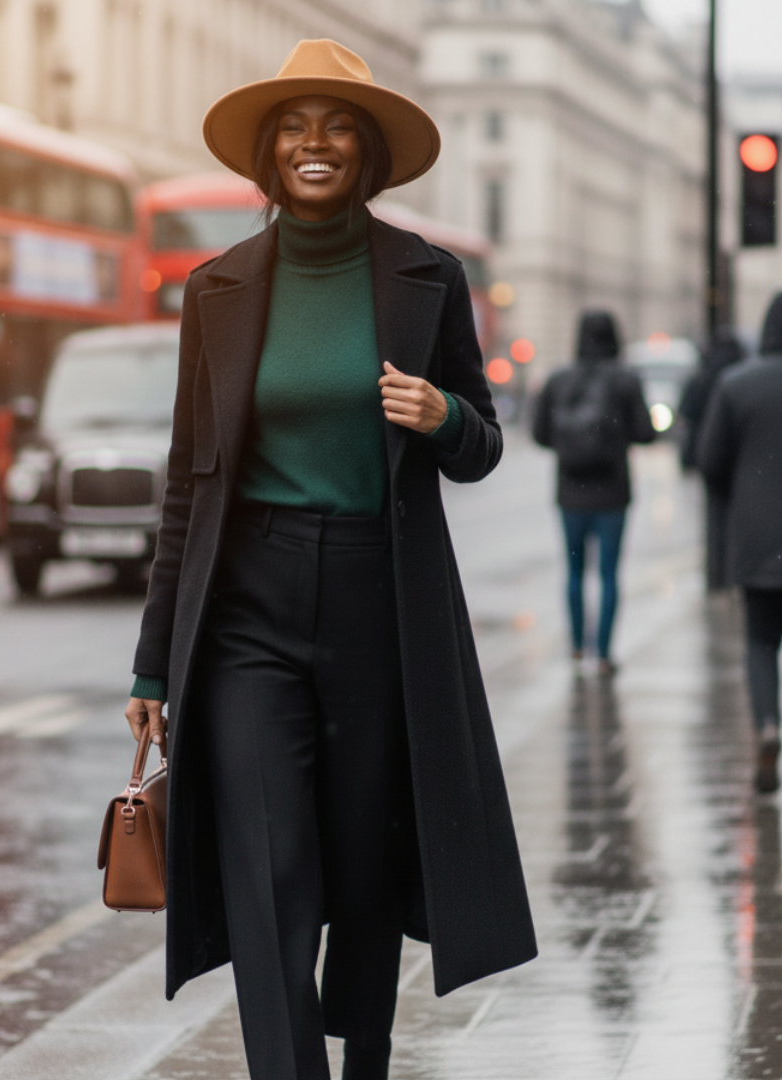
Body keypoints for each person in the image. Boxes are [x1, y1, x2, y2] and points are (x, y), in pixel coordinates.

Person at [123, 39, 536, 1080]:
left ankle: (365, 1058)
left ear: (367, 151)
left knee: (361, 871)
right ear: (269, 157)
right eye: (294, 129)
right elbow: (188, 482)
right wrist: (152, 665)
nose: (315, 144)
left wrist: (444, 415)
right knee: (272, 873)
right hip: (247, 609)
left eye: (336, 124)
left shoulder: (423, 277)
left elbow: (482, 443)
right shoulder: (215, 287)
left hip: (376, 605)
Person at [697, 291, 782, 794]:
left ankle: (768, 726)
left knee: (761, 643)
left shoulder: (737, 384)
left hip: (758, 539)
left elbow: (710, 463)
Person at [533, 311, 655, 674]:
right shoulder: (625, 380)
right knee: (608, 575)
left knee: (573, 573)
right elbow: (646, 433)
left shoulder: (559, 380)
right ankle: (602, 653)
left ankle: (574, 646)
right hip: (612, 492)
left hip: (571, 491)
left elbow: (540, 435)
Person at [679, 328, 745, 589]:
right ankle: (730, 573)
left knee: (716, 519)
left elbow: (687, 411)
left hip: (713, 455)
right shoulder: (739, 377)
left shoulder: (704, 378)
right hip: (738, 460)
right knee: (735, 520)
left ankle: (718, 575)